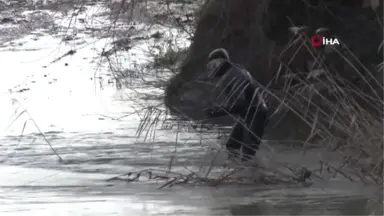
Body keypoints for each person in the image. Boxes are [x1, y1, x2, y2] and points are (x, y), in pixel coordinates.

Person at [204, 48, 269, 162]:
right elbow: (235, 102)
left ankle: (254, 175)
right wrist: (218, 109)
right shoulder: (232, 73)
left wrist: (218, 112)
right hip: (247, 114)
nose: (212, 69)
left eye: (214, 65)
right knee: (232, 146)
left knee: (247, 153)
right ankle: (235, 173)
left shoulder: (235, 75)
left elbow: (240, 104)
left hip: (255, 113)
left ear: (220, 63)